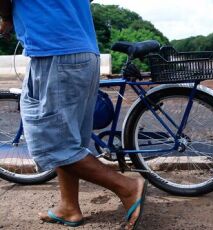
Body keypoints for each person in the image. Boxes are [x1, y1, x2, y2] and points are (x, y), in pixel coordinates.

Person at [0, 0, 147, 229]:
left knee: (49, 144)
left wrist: (7, 17)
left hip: (53, 52)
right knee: (71, 140)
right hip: (84, 53)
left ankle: (127, 187)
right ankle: (69, 207)